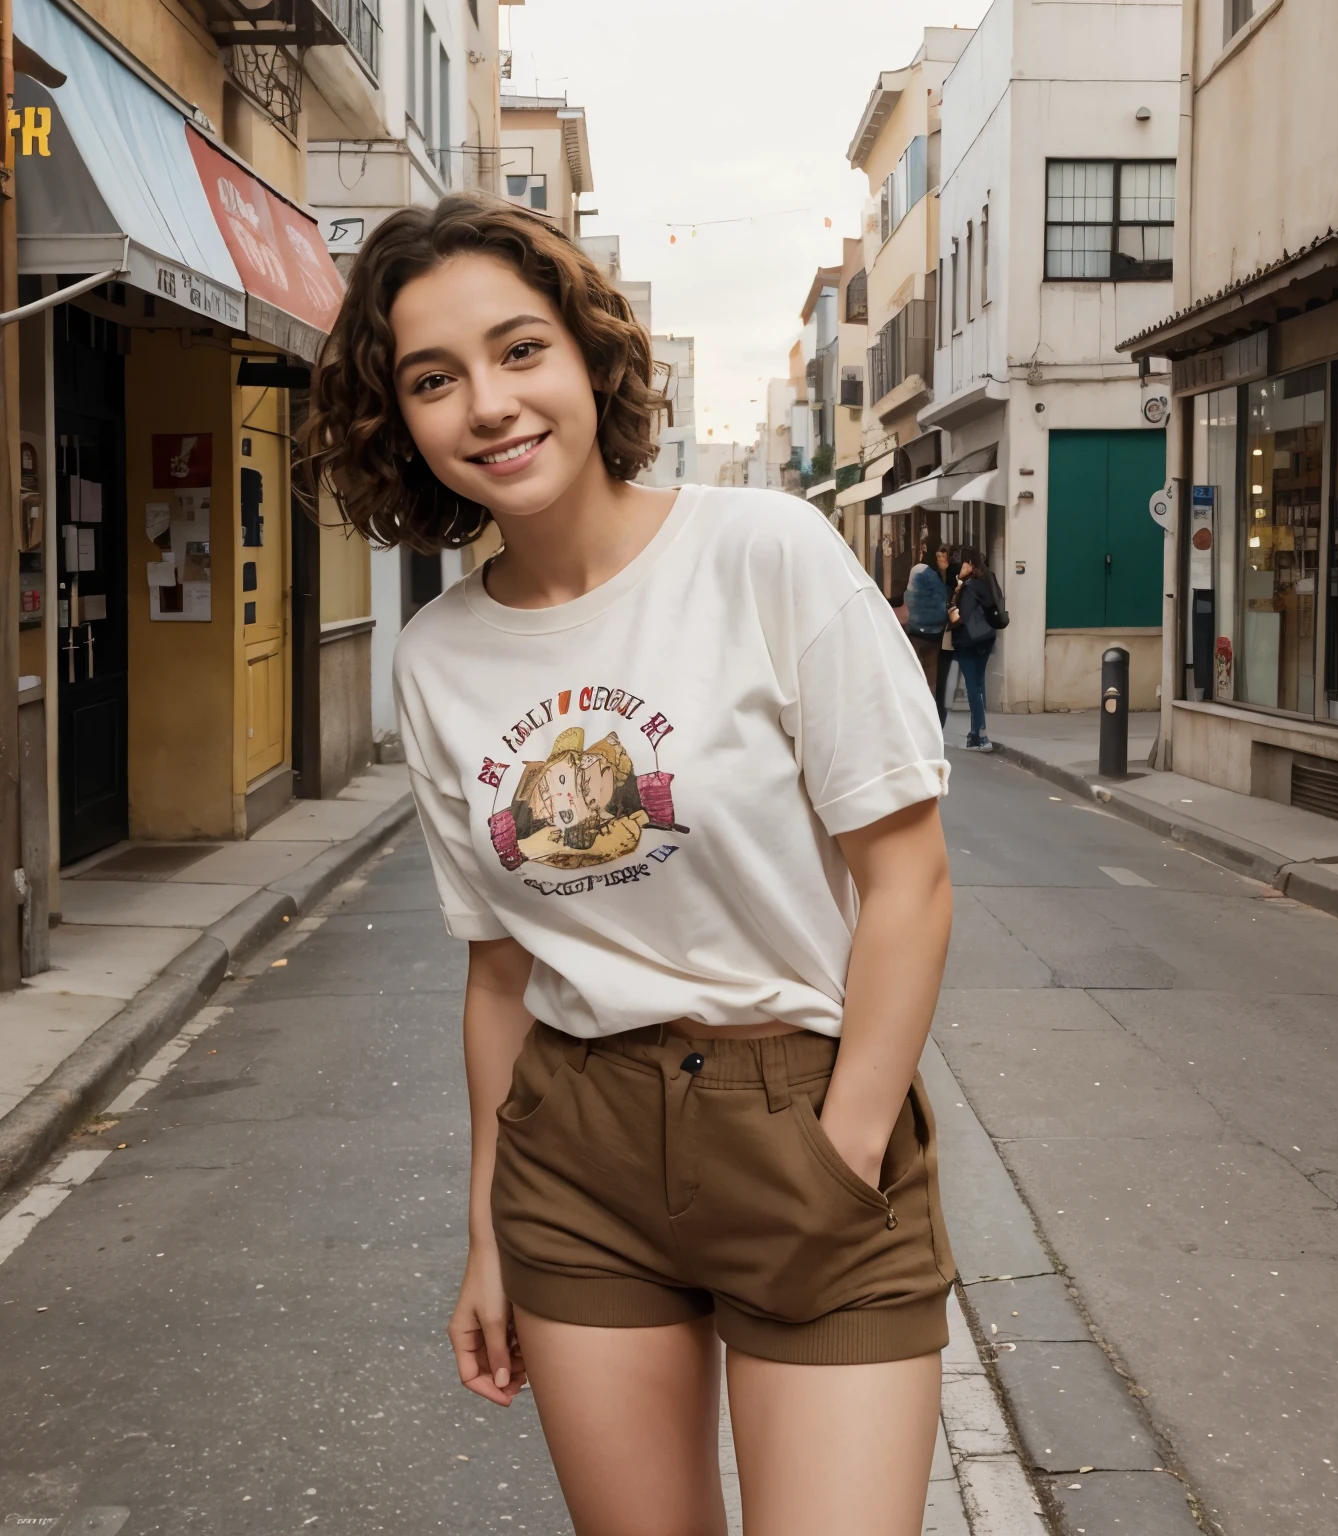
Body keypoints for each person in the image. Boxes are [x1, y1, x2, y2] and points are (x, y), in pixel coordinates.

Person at [301, 192, 956, 1536]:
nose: (488, 404)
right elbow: (498, 971)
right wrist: (488, 1232)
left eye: (519, 349)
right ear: (401, 423)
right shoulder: (437, 659)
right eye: (435, 380)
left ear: (590, 357)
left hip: (802, 1112)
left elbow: (909, 882)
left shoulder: (763, 553)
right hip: (579, 1154)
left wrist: (845, 1147)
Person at [951, 547, 1002, 752]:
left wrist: (957, 587)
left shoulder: (969, 586)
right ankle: (974, 734)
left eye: (962, 562)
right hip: (986, 638)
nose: (960, 565)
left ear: (969, 564)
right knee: (979, 685)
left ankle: (981, 736)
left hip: (968, 640)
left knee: (973, 686)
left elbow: (961, 614)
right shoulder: (990, 579)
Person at [902, 544, 949, 699]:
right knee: (931, 669)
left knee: (914, 669)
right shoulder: (940, 578)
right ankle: (930, 705)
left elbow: (909, 597)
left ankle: (917, 702)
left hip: (917, 631)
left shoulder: (918, 570)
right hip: (935, 632)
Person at [932, 545, 958, 725]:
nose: (941, 559)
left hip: (947, 636)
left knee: (944, 682)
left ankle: (940, 718)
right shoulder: (935, 576)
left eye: (944, 556)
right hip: (940, 635)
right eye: (939, 556)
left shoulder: (953, 576)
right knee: (941, 682)